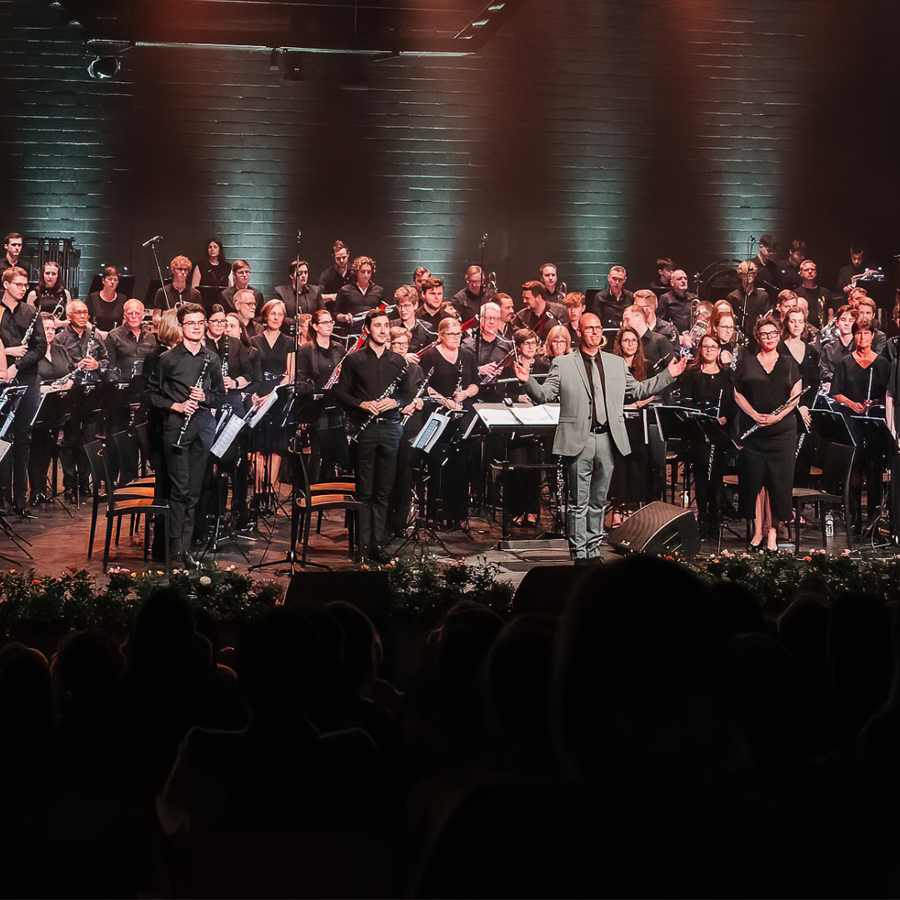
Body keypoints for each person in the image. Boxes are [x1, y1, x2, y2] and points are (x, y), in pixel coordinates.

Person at [514, 312, 685, 564]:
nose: (595, 332)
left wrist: (668, 375)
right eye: (589, 328)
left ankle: (593, 551)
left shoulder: (616, 363)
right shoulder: (563, 363)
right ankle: (579, 554)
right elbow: (544, 395)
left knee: (598, 501)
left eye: (598, 328)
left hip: (607, 439)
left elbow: (638, 390)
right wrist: (528, 381)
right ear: (579, 332)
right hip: (578, 439)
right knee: (577, 502)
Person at [333, 308, 415, 562]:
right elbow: (340, 393)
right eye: (377, 325)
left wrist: (395, 402)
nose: (382, 330)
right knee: (365, 491)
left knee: (384, 491)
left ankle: (378, 545)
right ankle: (363, 545)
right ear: (367, 329)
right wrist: (362, 404)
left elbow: (408, 394)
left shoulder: (399, 361)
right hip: (364, 429)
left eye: (386, 325)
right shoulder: (354, 360)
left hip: (390, 428)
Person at [147, 303, 225, 567]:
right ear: (180, 327)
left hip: (202, 429)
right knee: (178, 491)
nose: (196, 327)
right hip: (175, 429)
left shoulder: (212, 359)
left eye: (200, 322)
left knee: (193, 492)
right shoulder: (167, 359)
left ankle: (185, 550)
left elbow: (220, 397)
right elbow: (150, 395)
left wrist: (206, 397)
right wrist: (176, 406)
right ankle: (174, 550)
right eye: (191, 323)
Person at [733, 316, 802, 552]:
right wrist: (754, 414)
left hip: (782, 434)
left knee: (777, 484)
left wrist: (776, 418)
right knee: (754, 482)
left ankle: (772, 534)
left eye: (773, 333)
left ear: (779, 335)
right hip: (754, 434)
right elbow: (737, 394)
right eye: (764, 334)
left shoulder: (789, 363)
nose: (769, 338)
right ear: (757, 337)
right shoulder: (747, 363)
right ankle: (757, 532)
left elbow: (795, 396)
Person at [419, 316, 480, 529]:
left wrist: (465, 394)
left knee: (460, 465)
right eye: (451, 334)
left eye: (458, 334)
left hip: (462, 415)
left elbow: (476, 384)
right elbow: (424, 386)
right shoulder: (431, 356)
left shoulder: (467, 355)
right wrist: (444, 401)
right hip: (439, 414)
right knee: (439, 465)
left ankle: (458, 514)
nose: (456, 338)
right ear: (441, 335)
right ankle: (437, 514)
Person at [831, 321, 890, 532]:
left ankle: (873, 520)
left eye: (866, 333)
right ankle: (854, 519)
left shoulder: (882, 363)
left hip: (873, 422)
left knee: (874, 473)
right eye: (858, 333)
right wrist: (850, 403)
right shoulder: (845, 362)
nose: (862, 337)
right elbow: (835, 392)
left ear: (873, 336)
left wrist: (874, 403)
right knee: (854, 474)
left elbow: (887, 394)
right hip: (851, 422)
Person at [0, 266, 45, 515]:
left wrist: (17, 365)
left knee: (24, 437)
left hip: (26, 378)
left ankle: (20, 500)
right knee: (1, 438)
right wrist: (7, 352)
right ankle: (2, 499)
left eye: (25, 285)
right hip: (1, 379)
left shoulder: (31, 312)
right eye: (18, 284)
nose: (23, 289)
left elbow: (40, 347)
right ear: (5, 284)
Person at [55, 299, 110, 501]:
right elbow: (58, 367)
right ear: (69, 316)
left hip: (92, 392)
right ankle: (69, 484)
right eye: (78, 312)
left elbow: (107, 360)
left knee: (88, 440)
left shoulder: (95, 336)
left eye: (85, 312)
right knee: (69, 440)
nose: (83, 316)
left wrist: (97, 365)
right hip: (71, 393)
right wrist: (76, 367)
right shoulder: (60, 339)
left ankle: (84, 482)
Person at [681, 334, 735, 539]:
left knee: (716, 477)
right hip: (699, 432)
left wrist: (725, 418)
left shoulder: (727, 375)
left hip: (720, 433)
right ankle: (702, 518)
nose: (709, 350)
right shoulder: (691, 373)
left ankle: (715, 519)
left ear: (719, 350)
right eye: (705, 346)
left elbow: (733, 404)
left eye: (713, 347)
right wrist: (703, 416)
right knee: (701, 475)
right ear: (700, 349)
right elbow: (686, 402)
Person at [248, 299, 296, 504]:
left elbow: (290, 374)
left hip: (279, 395)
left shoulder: (289, 342)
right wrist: (255, 395)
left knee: (276, 446)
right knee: (259, 446)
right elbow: (251, 370)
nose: (276, 318)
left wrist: (273, 395)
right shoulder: (254, 340)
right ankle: (259, 492)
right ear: (266, 315)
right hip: (259, 394)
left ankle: (270, 492)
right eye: (273, 313)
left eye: (280, 314)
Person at [295, 308, 350, 484]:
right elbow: (301, 381)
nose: (329, 326)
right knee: (318, 452)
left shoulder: (339, 348)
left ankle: (331, 488)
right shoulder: (306, 350)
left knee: (336, 453)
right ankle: (314, 489)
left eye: (331, 322)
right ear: (315, 326)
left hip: (337, 407)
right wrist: (306, 409)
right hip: (317, 407)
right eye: (325, 322)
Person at [28, 313, 71, 505]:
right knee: (36, 449)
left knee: (48, 448)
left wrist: (69, 382)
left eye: (53, 328)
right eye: (46, 328)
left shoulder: (60, 350)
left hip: (56, 406)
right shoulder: (31, 351)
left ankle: (42, 490)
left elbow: (69, 371)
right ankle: (34, 491)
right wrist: (41, 388)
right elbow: (23, 379)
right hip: (36, 406)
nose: (50, 332)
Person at [462, 300, 514, 396]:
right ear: (481, 319)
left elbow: (511, 373)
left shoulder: (507, 344)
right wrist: (479, 369)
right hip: (474, 395)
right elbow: (461, 371)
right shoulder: (467, 344)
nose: (492, 322)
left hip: (499, 396)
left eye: (495, 318)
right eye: (488, 318)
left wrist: (503, 370)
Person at [105, 299, 155, 382]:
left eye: (137, 313)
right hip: (122, 382)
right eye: (130, 313)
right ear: (124, 315)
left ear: (143, 315)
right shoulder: (114, 336)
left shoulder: (150, 337)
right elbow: (110, 365)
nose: (134, 316)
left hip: (146, 382)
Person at [335, 256, 383, 333]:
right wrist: (345, 317)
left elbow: (385, 311)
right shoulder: (345, 291)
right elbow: (336, 314)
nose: (366, 275)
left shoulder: (378, 290)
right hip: (352, 332)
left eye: (369, 272)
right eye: (363, 272)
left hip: (373, 332)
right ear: (356, 272)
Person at [153, 256, 202, 326]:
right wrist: (168, 319)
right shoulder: (162, 292)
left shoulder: (195, 293)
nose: (183, 272)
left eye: (185, 270)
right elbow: (155, 319)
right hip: (169, 329)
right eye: (179, 269)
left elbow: (199, 317)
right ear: (173, 270)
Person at [726, 260, 769, 339]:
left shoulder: (763, 296)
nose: (749, 276)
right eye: (745, 274)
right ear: (740, 275)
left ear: (755, 275)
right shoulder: (733, 297)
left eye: (751, 274)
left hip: (757, 336)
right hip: (739, 335)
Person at [819, 305, 857, 392]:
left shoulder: (860, 347)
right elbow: (824, 371)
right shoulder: (828, 348)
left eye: (851, 321)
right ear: (837, 322)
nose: (847, 323)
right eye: (843, 320)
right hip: (833, 388)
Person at [391, 284, 434, 356]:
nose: (403, 310)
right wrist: (404, 356)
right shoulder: (391, 327)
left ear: (415, 305)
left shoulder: (427, 329)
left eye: (406, 305)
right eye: (400, 306)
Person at [25, 260, 71, 325]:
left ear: (58, 276)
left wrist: (59, 323)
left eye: (53, 274)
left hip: (60, 330)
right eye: (47, 273)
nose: (50, 277)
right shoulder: (33, 294)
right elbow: (29, 320)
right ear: (42, 275)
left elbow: (70, 319)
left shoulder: (65, 293)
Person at [190, 239, 231, 311]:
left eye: (215, 247)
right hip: (204, 302)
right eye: (210, 247)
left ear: (220, 249)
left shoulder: (227, 267)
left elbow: (230, 288)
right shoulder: (200, 266)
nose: (212, 249)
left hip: (222, 303)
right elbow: (194, 288)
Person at [86, 265, 128, 334]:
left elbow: (125, 320)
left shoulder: (122, 299)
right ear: (103, 280)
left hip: (116, 336)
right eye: (110, 279)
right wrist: (99, 333)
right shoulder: (93, 297)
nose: (112, 282)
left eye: (115, 280)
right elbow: (85, 320)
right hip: (96, 336)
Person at [657, 269, 697, 341]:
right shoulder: (665, 298)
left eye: (685, 278)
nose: (683, 281)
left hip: (692, 338)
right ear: (672, 283)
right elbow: (660, 321)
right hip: (673, 338)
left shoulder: (694, 298)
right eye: (679, 279)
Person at [795, 259, 831, 329]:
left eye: (812, 269)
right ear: (801, 273)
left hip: (824, 330)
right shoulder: (796, 293)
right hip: (804, 329)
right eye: (806, 270)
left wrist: (827, 328)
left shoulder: (825, 292)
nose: (810, 272)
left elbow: (830, 314)